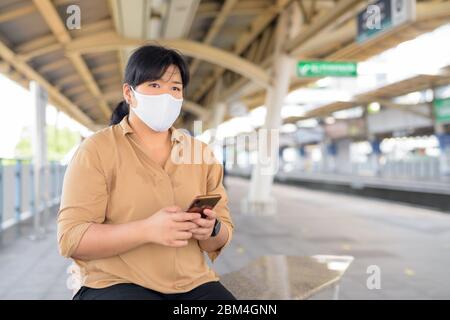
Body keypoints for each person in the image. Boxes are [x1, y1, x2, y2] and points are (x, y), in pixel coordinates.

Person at [57, 45, 235, 300]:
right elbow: (71, 238)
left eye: (175, 88)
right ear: (129, 93)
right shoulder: (96, 150)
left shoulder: (201, 154)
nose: (167, 95)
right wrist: (147, 230)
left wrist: (212, 229)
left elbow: (223, 233)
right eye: (154, 85)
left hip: (193, 285)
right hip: (116, 283)